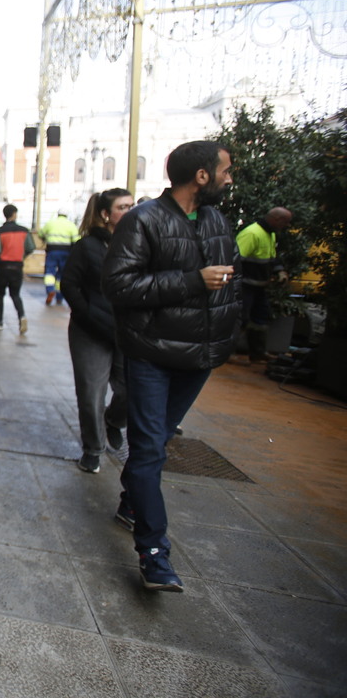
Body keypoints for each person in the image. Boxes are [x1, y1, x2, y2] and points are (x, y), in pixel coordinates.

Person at [101, 140, 238, 592]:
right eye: (224, 171)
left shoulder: (217, 219)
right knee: (148, 451)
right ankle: (154, 552)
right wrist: (191, 281)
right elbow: (119, 286)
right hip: (151, 355)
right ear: (201, 175)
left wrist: (224, 336)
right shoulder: (144, 220)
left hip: (199, 358)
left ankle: (130, 502)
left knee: (156, 441)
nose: (228, 178)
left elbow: (229, 282)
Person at [60, 189, 133, 474]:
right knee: (91, 393)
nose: (129, 211)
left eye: (131, 206)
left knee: (132, 390)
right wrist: (86, 312)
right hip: (89, 330)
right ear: (106, 214)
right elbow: (69, 284)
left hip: (127, 331)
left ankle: (113, 421)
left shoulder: (138, 243)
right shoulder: (87, 246)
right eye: (122, 207)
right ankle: (93, 448)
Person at [235, 207, 293, 363]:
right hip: (244, 285)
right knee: (240, 319)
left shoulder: (270, 234)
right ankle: (229, 353)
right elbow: (235, 260)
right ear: (276, 219)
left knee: (260, 318)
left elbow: (271, 257)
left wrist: (280, 271)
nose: (287, 225)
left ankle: (257, 353)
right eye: (286, 222)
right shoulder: (252, 233)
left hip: (258, 286)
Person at [0, 204, 35, 334]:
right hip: (17, 266)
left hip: (3, 266)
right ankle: (22, 316)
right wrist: (22, 256)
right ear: (15, 214)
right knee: (15, 294)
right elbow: (30, 247)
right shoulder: (24, 230)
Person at [40, 208, 80, 306]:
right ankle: (59, 297)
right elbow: (76, 240)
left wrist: (46, 239)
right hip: (66, 252)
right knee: (62, 274)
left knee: (49, 272)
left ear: (58, 214)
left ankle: (50, 290)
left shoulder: (50, 223)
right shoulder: (71, 225)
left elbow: (41, 234)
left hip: (52, 251)